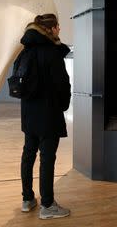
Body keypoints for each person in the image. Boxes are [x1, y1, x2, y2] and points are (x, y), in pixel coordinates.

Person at [19, 14, 71, 220]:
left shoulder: (26, 50)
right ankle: (47, 205)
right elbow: (62, 85)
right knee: (47, 158)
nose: (59, 29)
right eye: (57, 26)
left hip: (29, 113)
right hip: (48, 113)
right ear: (50, 29)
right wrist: (63, 105)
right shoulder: (51, 52)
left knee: (28, 154)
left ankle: (27, 199)